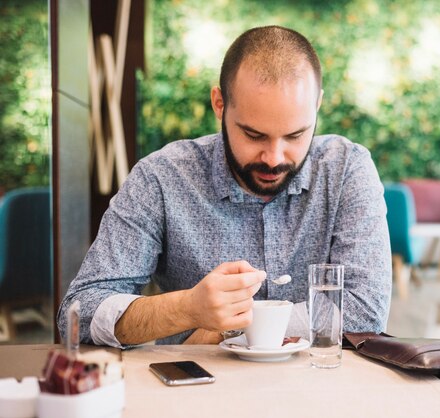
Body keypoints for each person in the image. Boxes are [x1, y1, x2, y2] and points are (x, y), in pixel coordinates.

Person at [58, 25, 392, 347]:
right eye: (253, 135)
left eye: (295, 135)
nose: (274, 158)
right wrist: (187, 308)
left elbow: (365, 313)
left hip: (323, 392)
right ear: (220, 103)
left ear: (317, 105)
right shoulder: (161, 178)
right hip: (196, 394)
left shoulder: (348, 168)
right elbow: (80, 311)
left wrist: (221, 332)